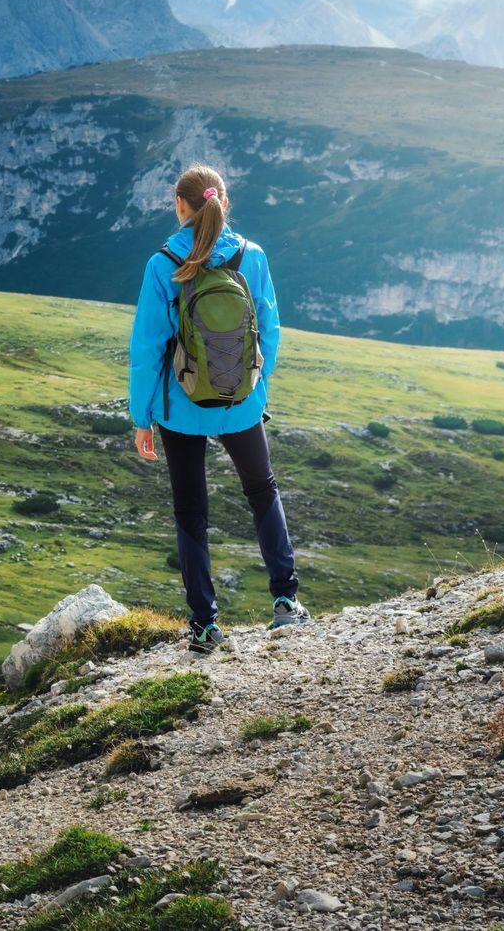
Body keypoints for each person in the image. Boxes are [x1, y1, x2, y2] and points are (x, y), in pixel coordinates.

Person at [128, 164, 308, 653]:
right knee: (262, 490)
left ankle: (205, 624)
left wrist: (141, 416)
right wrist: (254, 387)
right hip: (241, 404)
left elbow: (147, 349)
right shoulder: (253, 256)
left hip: (179, 406)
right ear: (224, 204)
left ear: (180, 207)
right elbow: (269, 332)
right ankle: (286, 602)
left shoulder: (162, 263)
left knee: (191, 510)